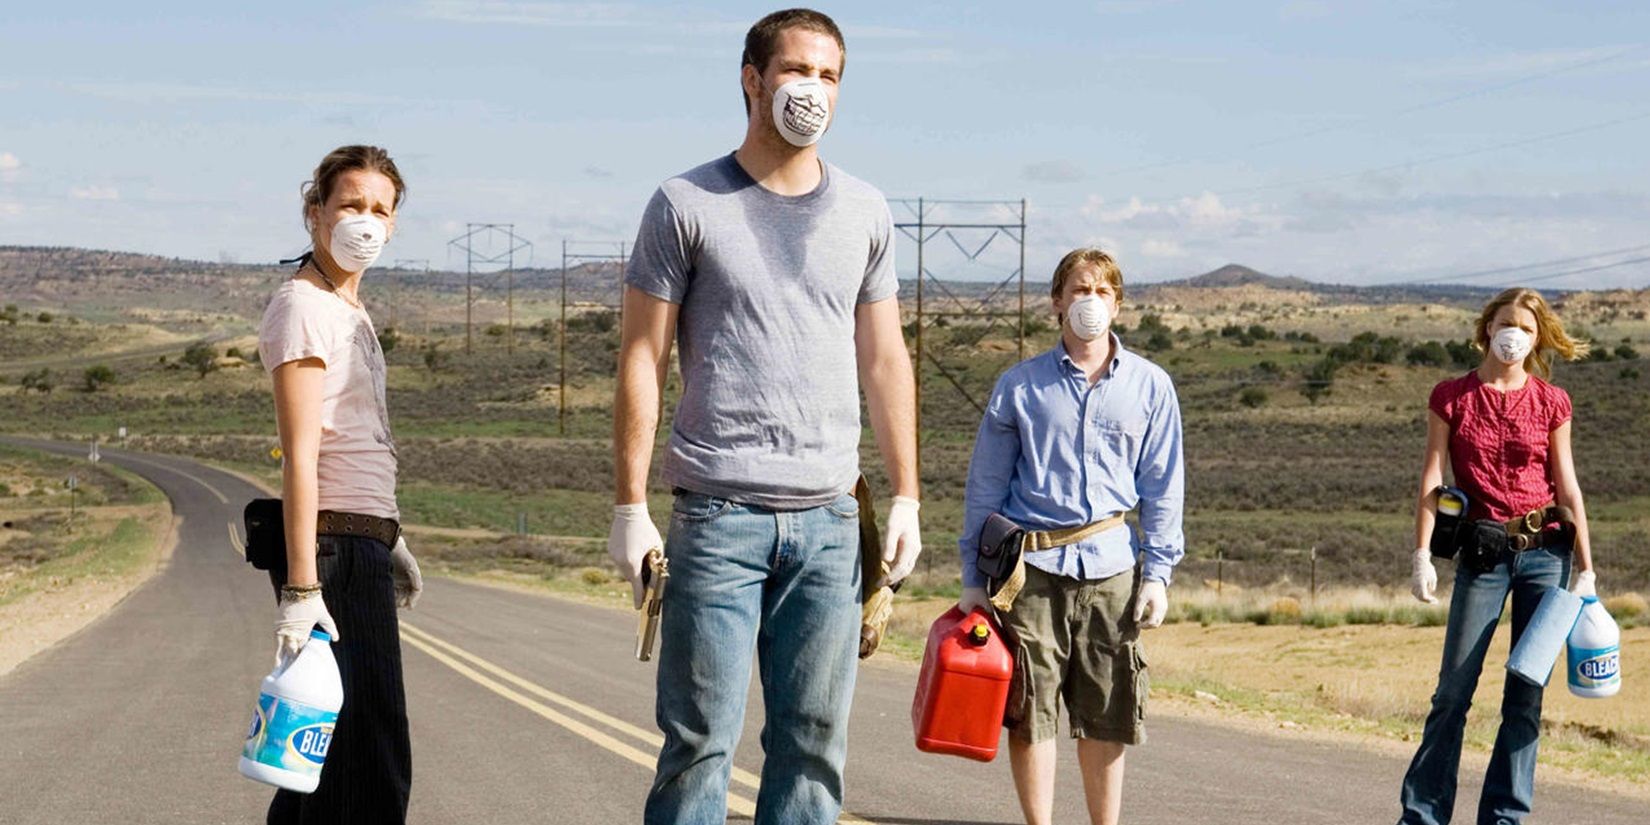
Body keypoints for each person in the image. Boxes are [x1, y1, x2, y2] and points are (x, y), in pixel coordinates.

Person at [608, 8, 921, 824]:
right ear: (752, 79)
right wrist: (630, 508)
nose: (811, 90)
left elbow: (886, 359)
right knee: (698, 747)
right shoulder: (684, 203)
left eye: (828, 76)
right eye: (795, 71)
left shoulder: (867, 211)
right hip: (717, 517)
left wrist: (909, 498)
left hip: (828, 522)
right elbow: (641, 355)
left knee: (813, 751)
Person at [956, 248, 1184, 825]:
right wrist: (973, 581)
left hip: (1111, 570)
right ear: (1057, 302)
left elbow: (1163, 486)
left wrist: (1158, 574)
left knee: (1108, 711)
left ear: (1118, 306)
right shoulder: (1019, 387)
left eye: (1103, 292)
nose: (1091, 302)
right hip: (1029, 573)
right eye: (1079, 290)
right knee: (1032, 712)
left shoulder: (1151, 387)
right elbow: (985, 488)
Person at [257, 144, 424, 825]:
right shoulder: (303, 304)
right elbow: (301, 455)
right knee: (370, 760)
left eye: (381, 209)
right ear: (315, 212)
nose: (366, 220)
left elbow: (352, 437)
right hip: (334, 549)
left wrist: (393, 535)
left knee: (321, 760)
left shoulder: (346, 308)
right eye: (351, 204)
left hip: (362, 540)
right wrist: (302, 591)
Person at [1399, 287, 1594, 825]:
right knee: (1452, 694)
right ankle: (1422, 815)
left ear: (1538, 338)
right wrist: (1422, 553)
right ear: (1488, 327)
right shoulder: (1452, 397)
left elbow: (1568, 487)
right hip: (1482, 555)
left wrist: (1587, 566)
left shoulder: (1553, 402)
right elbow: (1433, 478)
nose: (1515, 334)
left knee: (1526, 696)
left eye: (1527, 328)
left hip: (1546, 554)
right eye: (1507, 322)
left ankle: (1505, 817)